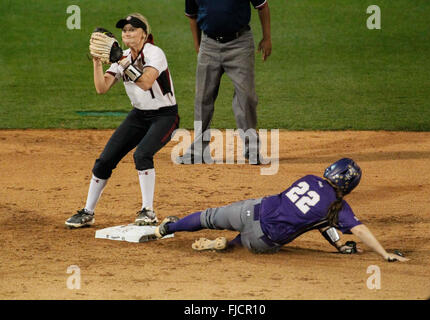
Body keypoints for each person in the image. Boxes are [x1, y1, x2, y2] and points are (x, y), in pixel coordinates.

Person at [154, 158, 409, 262]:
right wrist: (384, 253)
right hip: (264, 238)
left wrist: (339, 244)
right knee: (247, 243)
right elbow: (351, 227)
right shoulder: (338, 206)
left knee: (209, 216)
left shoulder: (309, 178)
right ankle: (230, 245)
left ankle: (169, 227)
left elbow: (322, 220)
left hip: (251, 210)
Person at [65, 13, 179, 228]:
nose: (127, 33)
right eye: (124, 30)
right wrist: (97, 62)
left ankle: (148, 211)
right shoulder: (122, 56)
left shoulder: (155, 54)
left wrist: (122, 61)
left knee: (142, 154)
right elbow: (102, 88)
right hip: (139, 115)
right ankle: (88, 212)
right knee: (104, 161)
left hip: (165, 116)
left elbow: (145, 82)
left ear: (144, 34)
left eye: (132, 29)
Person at [177, 0, 272, 165]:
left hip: (240, 44)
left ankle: (252, 149)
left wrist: (267, 37)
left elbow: (262, 6)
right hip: (209, 44)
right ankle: (199, 150)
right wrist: (198, 45)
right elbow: (192, 16)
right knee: (202, 98)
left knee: (247, 96)